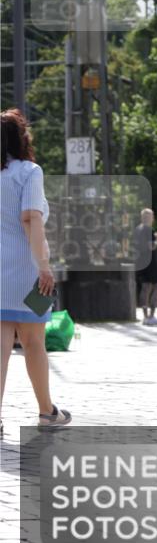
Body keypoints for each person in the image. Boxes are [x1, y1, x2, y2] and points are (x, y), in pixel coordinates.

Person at [1, 108, 71, 433]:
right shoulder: (30, 172)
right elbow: (31, 218)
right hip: (26, 269)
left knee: (1, 343)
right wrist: (44, 266)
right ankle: (46, 412)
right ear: (22, 138)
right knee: (33, 342)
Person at [134, 208, 157, 326]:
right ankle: (151, 316)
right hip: (151, 262)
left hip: (140, 262)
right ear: (147, 218)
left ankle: (145, 317)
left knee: (145, 288)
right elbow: (151, 247)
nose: (153, 218)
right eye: (152, 216)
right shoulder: (148, 229)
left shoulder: (137, 229)